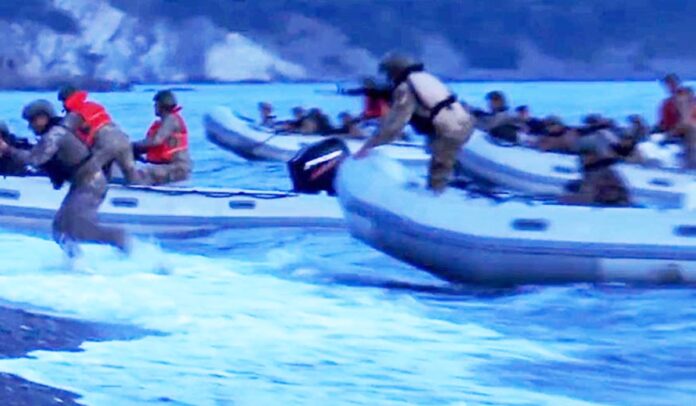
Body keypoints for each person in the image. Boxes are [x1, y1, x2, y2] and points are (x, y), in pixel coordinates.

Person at [0, 100, 129, 257]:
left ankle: (121, 239)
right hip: (80, 184)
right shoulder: (52, 134)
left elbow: (35, 159)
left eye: (32, 121)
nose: (30, 127)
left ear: (42, 118)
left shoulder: (56, 134)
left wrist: (8, 150)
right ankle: (75, 261)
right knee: (59, 230)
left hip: (91, 184)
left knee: (80, 229)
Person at [355, 53, 474, 194]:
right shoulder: (424, 78)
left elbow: (394, 126)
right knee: (442, 161)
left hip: (449, 130)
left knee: (439, 171)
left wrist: (369, 146)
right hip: (463, 122)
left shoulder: (405, 88)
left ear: (394, 72)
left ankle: (434, 199)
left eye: (388, 74)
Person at [58, 85, 140, 183]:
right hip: (123, 139)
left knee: (89, 171)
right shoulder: (93, 106)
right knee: (130, 172)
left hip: (105, 143)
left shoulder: (74, 115)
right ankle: (142, 188)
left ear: (65, 100)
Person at [132, 90, 192, 185]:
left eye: (156, 104)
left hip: (176, 168)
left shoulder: (171, 119)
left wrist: (133, 145)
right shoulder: (163, 122)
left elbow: (156, 141)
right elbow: (149, 146)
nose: (154, 107)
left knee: (138, 173)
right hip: (167, 166)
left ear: (162, 106)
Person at [560, 129, 630, 207]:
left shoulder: (599, 174)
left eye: (586, 153)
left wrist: (562, 200)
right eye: (580, 153)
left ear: (597, 154)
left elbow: (585, 199)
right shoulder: (601, 171)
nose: (582, 157)